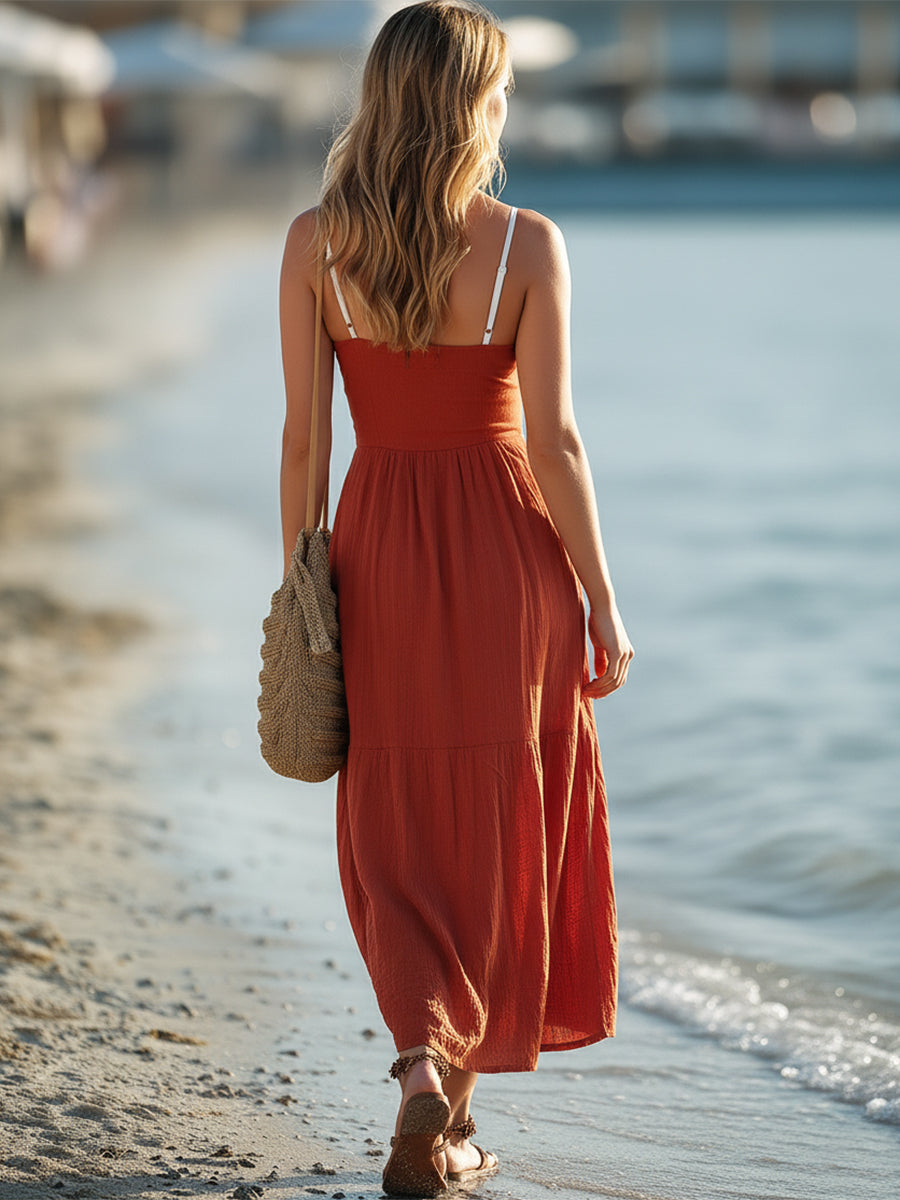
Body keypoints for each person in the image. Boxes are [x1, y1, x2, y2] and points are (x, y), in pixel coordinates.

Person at [277, 2, 633, 1194]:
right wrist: (603, 598)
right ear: (478, 102)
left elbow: (303, 446)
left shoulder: (316, 244)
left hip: (378, 549)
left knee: (394, 833)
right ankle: (447, 1117)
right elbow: (561, 443)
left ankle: (424, 1080)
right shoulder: (528, 244)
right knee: (497, 824)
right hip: (507, 560)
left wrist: (305, 589)